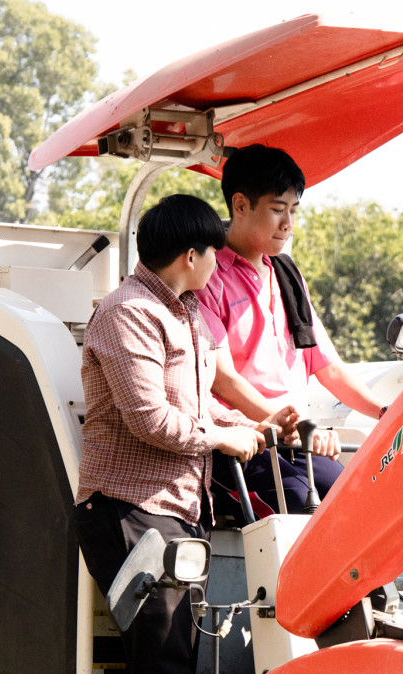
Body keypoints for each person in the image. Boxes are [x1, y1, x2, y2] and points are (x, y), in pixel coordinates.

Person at [74, 194, 271, 674]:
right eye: (214, 252)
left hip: (175, 511)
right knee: (165, 658)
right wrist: (221, 439)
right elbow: (150, 419)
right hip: (129, 508)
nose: (218, 263)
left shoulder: (188, 312)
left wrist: (251, 426)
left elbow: (197, 408)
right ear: (190, 256)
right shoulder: (130, 312)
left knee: (177, 654)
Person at [196, 144, 387, 515]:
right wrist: (288, 426)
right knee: (303, 503)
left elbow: (328, 367)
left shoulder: (287, 274)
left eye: (294, 210)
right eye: (277, 209)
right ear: (240, 205)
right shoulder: (208, 275)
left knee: (364, 502)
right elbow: (222, 379)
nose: (288, 224)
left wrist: (385, 412)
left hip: (296, 440)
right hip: (242, 442)